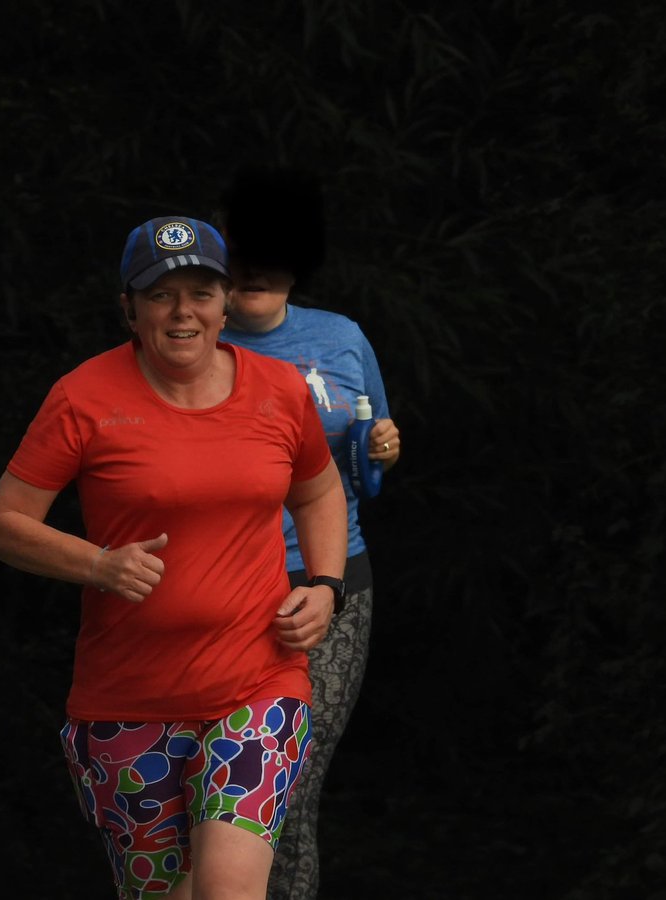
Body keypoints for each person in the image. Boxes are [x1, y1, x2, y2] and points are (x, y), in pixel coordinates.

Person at [0, 215, 349, 900]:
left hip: (257, 685)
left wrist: (325, 584)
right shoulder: (83, 398)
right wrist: (99, 565)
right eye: (161, 294)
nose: (184, 312)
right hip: (127, 701)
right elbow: (1, 524)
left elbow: (320, 491)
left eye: (202, 292)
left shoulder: (278, 390)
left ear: (225, 301)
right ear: (129, 308)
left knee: (227, 890)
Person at [218, 166, 402, 900]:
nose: (255, 269)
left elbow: (367, 454)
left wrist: (384, 448)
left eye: (271, 254)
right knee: (215, 795)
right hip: (217, 591)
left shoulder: (343, 337)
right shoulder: (189, 341)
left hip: (329, 587)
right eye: (240, 255)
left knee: (285, 784)